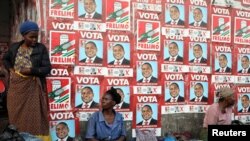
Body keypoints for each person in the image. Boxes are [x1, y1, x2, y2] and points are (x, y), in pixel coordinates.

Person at [3, 21, 51, 139]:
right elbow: (6, 59)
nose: (34, 39)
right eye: (31, 37)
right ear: (23, 36)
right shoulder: (15, 47)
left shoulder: (41, 49)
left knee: (34, 117)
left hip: (32, 89)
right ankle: (17, 137)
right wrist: (10, 69)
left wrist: (31, 70)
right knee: (15, 115)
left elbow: (47, 68)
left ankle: (33, 138)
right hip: (16, 89)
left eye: (36, 37)